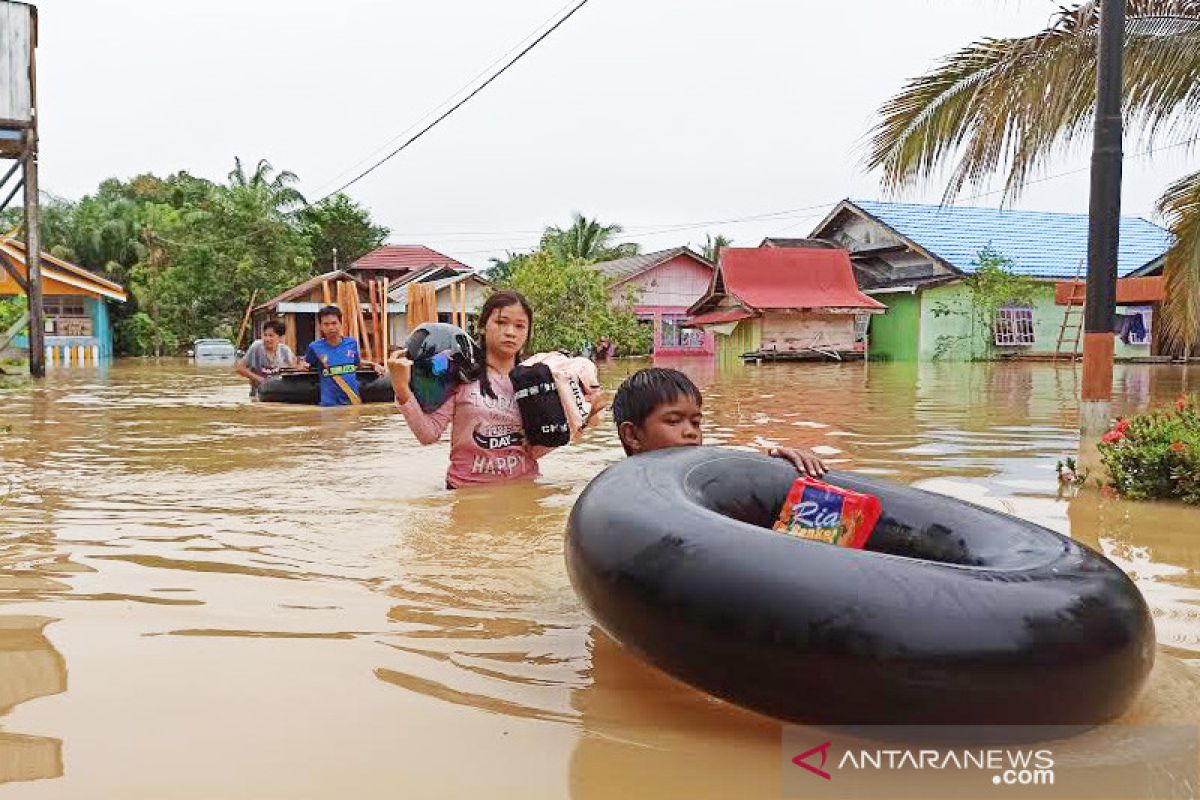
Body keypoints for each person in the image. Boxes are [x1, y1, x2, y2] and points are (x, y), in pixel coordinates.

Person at [388, 290, 560, 488]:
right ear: (482, 326)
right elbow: (428, 434)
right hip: (466, 491)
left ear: (528, 333)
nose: (511, 332)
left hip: (522, 489)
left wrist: (583, 418)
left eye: (520, 326)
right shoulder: (461, 375)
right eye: (501, 322)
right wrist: (401, 388)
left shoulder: (536, 382)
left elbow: (541, 445)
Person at [611, 367, 827, 476]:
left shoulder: (706, 478)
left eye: (696, 422)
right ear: (632, 435)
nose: (691, 432)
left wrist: (775, 465)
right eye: (674, 421)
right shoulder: (619, 494)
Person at [296, 305, 382, 406]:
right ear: (321, 326)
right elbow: (305, 364)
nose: (331, 328)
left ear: (340, 323)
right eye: (326, 324)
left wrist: (373, 365)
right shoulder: (315, 347)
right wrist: (301, 366)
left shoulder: (351, 343)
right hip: (329, 405)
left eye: (334, 323)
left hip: (352, 403)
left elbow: (357, 363)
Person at [235, 319, 296, 398]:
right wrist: (260, 379)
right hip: (258, 393)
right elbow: (240, 368)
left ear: (280, 337)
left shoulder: (285, 350)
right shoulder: (256, 347)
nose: (267, 339)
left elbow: (294, 369)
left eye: (271, 336)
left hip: (278, 393)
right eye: (265, 335)